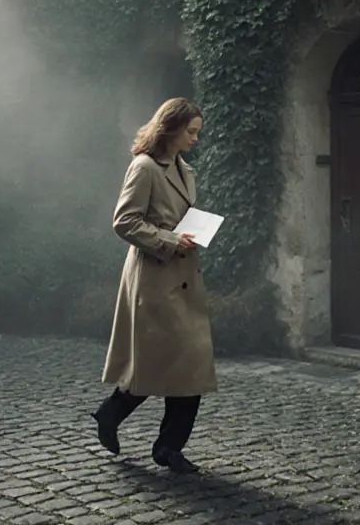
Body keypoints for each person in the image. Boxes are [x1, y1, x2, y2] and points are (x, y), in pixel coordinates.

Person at [93, 97, 216, 474]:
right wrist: (168, 240)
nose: (196, 138)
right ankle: (110, 414)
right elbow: (124, 221)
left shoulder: (184, 169)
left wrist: (191, 234)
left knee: (190, 364)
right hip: (154, 278)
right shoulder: (144, 167)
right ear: (172, 129)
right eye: (191, 131)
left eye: (198, 131)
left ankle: (168, 448)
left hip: (182, 277)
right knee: (157, 362)